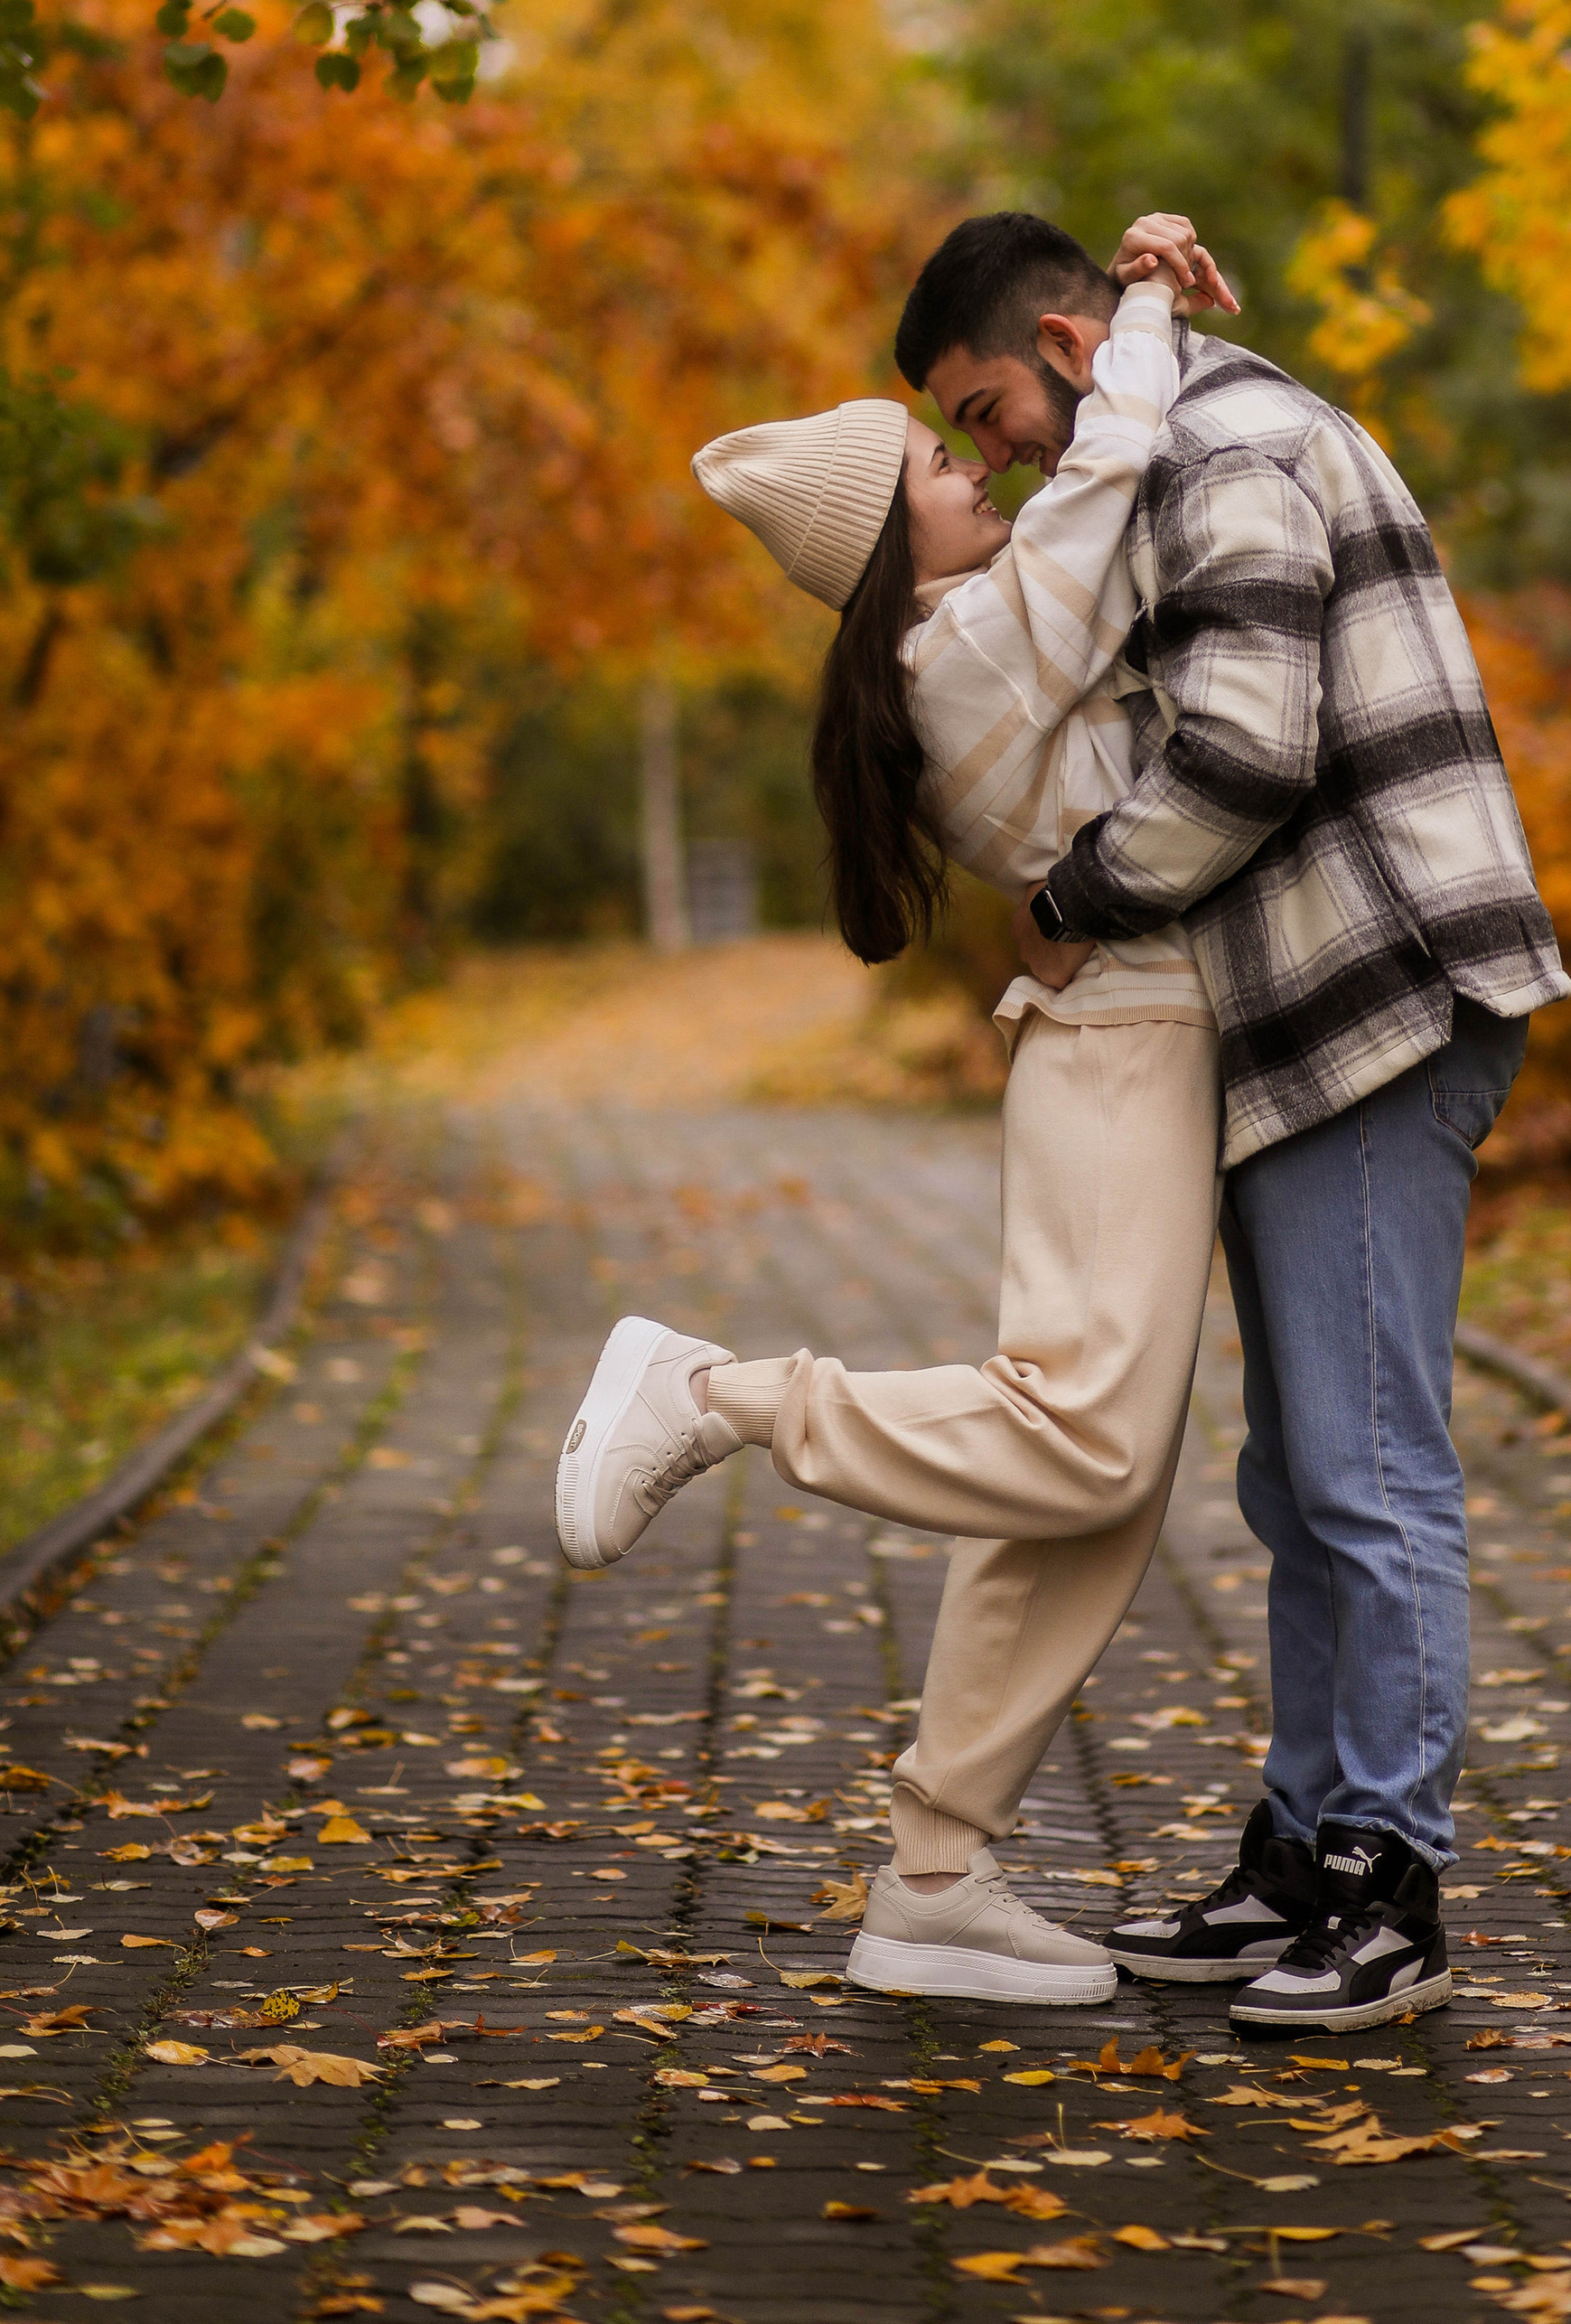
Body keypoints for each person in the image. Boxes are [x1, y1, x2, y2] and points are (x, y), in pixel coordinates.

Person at [893, 211, 1571, 2034]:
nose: (994, 452)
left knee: (1365, 1476)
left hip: (1379, 995)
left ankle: (1392, 1884)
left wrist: (1077, 896)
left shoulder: (1227, 453)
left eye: (987, 408)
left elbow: (1250, 754)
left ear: (1054, 337)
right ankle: (1304, 1843)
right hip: (1301, 1021)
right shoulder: (1169, 442)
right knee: (1299, 1479)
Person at [552, 215, 1239, 2009]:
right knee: (1082, 1444)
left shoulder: (952, 646)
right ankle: (714, 1396)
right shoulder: (983, 638)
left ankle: (935, 1870)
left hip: (1120, 1053)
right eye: (943, 463)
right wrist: (1148, 296)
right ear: (890, 549)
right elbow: (1120, 460)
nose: (975, 466)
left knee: (1084, 1489)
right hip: (1121, 1056)